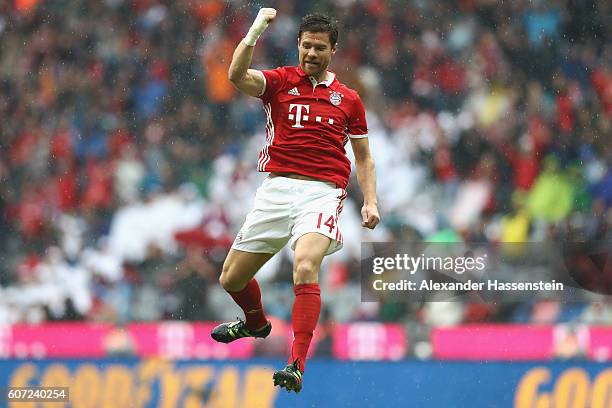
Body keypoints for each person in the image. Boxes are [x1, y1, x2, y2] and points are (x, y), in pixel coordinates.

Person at [210, 8, 380, 393]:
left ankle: (297, 363)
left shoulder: (349, 100)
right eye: (306, 46)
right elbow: (236, 76)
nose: (311, 54)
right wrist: (254, 31)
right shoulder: (280, 82)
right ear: (297, 46)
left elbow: (365, 158)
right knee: (231, 278)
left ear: (332, 50)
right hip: (277, 189)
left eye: (320, 48)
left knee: (305, 266)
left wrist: (369, 201)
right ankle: (255, 322)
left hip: (322, 192)